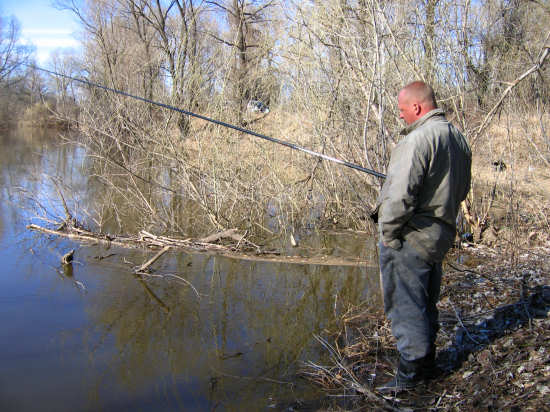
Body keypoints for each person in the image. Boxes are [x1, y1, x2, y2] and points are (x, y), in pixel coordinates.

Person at [372, 81, 472, 393]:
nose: (400, 116)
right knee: (426, 302)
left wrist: (388, 234)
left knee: (406, 307)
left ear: (417, 107)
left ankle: (410, 378)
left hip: (412, 238)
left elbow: (400, 196)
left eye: (402, 110)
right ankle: (428, 366)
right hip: (439, 236)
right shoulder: (457, 138)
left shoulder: (417, 139)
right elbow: (461, 189)